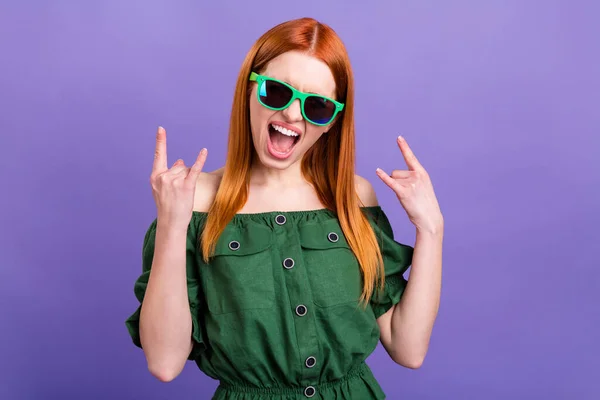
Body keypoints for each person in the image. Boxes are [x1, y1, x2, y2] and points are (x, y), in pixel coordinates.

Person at [125, 17, 443, 400]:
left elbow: (408, 349)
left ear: (331, 123)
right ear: (249, 91)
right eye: (277, 92)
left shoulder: (354, 198)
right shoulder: (194, 205)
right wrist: (173, 227)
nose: (293, 115)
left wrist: (432, 229)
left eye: (317, 107)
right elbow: (164, 362)